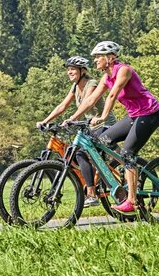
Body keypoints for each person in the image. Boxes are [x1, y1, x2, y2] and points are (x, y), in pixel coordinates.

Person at [63, 41, 159, 213]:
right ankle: (121, 176)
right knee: (100, 142)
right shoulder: (105, 77)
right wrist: (72, 118)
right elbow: (91, 100)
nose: (94, 61)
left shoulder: (123, 70)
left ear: (109, 58)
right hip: (134, 116)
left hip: (149, 114)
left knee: (127, 153)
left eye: (97, 57)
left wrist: (102, 117)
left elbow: (112, 95)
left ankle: (132, 200)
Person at [36, 56, 117, 207]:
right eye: (68, 69)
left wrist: (73, 118)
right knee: (78, 155)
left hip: (105, 125)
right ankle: (94, 183)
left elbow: (87, 102)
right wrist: (45, 121)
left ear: (82, 70)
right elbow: (62, 106)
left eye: (72, 69)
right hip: (90, 127)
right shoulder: (75, 87)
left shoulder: (91, 83)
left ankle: (91, 195)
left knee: (80, 153)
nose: (69, 72)